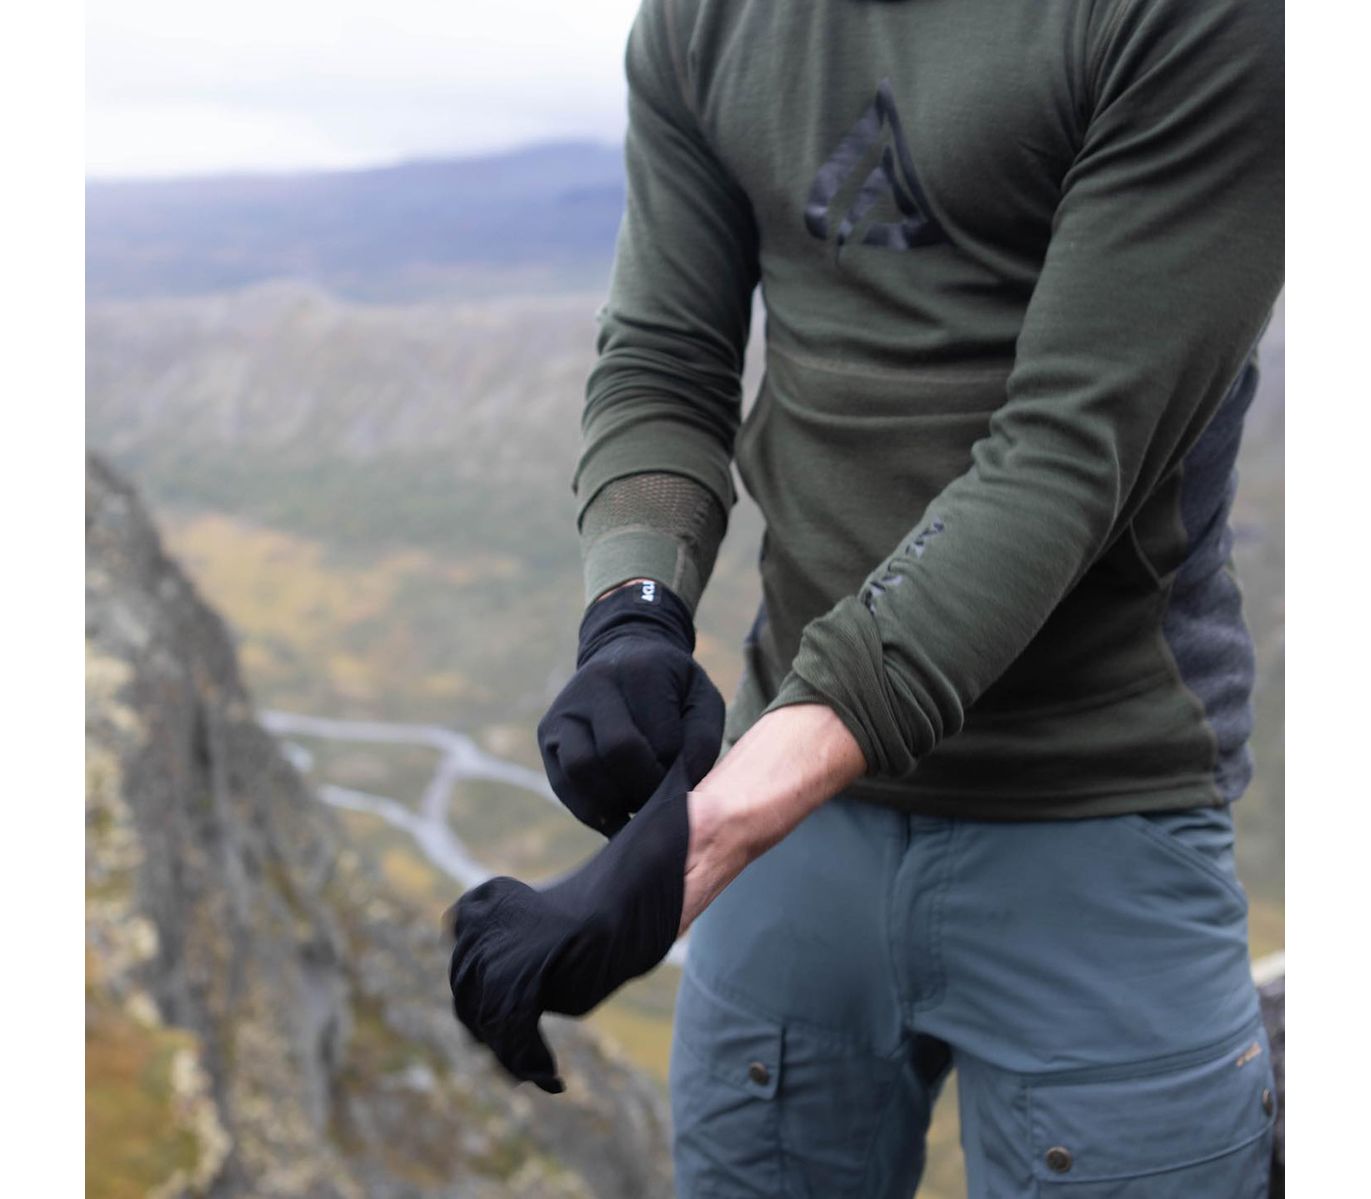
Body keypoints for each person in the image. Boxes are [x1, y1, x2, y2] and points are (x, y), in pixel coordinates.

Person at [449, 0, 1284, 1194]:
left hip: (1097, 810)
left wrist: (707, 831)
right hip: (803, 835)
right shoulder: (707, 21)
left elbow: (1067, 455)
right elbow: (663, 360)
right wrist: (634, 610)